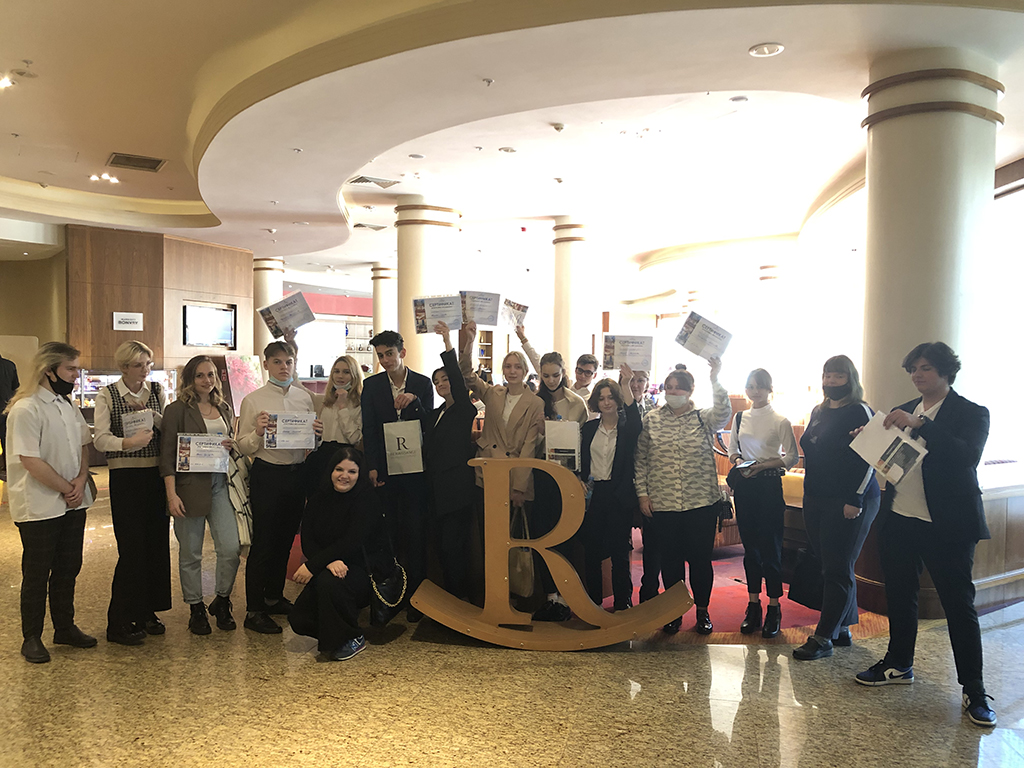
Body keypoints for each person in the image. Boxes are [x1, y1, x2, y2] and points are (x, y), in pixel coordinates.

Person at [855, 343, 996, 727]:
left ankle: (974, 688)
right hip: (901, 519)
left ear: (946, 372)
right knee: (901, 597)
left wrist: (922, 425)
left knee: (958, 605)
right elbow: (893, 461)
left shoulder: (971, 412)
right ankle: (899, 664)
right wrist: (870, 439)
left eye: (926, 368)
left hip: (948, 526)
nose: (918, 375)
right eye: (914, 369)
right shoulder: (902, 409)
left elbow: (965, 457)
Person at [5, 342, 97, 663]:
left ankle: (64, 627)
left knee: (68, 567)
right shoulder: (26, 409)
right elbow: (30, 460)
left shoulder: (67, 405)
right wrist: (66, 488)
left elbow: (83, 445)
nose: (75, 375)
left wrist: (81, 480)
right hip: (39, 504)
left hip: (73, 500)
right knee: (37, 571)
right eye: (70, 369)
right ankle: (31, 636)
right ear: (49, 371)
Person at [635, 357, 729, 634]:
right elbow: (640, 460)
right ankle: (674, 611)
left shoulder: (703, 417)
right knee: (671, 562)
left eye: (679, 387)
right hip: (663, 503)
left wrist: (715, 378)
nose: (673, 392)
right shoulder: (651, 420)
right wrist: (643, 494)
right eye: (670, 387)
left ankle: (702, 610)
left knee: (700, 561)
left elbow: (724, 412)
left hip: (700, 503)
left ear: (690, 390)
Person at [793, 355, 879, 661]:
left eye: (838, 376)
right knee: (830, 564)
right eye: (827, 375)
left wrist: (855, 498)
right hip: (816, 496)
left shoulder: (860, 411)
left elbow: (870, 458)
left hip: (849, 499)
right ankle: (841, 628)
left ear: (850, 379)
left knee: (838, 567)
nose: (830, 381)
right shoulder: (819, 410)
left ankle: (823, 637)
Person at [237, 340, 322, 634]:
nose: (284, 367)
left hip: (297, 474)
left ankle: (273, 597)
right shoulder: (253, 400)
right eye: (277, 362)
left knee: (285, 540)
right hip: (268, 474)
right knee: (264, 543)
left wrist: (317, 436)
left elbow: (310, 443)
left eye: (288, 362)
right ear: (266, 364)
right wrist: (258, 432)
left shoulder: (304, 398)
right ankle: (254, 610)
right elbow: (242, 445)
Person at [93, 340, 170, 645]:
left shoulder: (157, 391)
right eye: (138, 365)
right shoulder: (107, 394)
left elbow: (169, 428)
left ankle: (148, 610)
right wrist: (127, 443)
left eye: (148, 364)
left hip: (155, 475)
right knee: (131, 547)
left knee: (156, 544)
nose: (145, 370)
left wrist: (153, 416)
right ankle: (120, 619)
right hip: (125, 477)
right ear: (124, 367)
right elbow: (100, 439)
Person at [459, 321, 545, 592]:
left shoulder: (536, 403)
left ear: (525, 371)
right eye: (508, 366)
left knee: (513, 538)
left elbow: (530, 446)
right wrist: (470, 341)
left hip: (515, 477)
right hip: (488, 474)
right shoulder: (493, 393)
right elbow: (466, 374)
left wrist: (519, 488)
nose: (512, 371)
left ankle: (513, 592)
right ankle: (491, 591)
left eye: (517, 367)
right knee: (488, 535)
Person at [159, 355, 241, 634]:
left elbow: (229, 444)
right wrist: (172, 495)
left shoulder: (224, 408)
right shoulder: (177, 410)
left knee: (230, 548)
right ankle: (195, 607)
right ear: (189, 380)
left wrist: (230, 445)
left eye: (211, 375)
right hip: (188, 488)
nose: (207, 380)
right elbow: (167, 456)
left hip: (221, 485)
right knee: (191, 553)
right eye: (200, 375)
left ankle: (222, 599)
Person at [289, 446, 394, 661]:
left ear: (360, 474)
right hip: (330, 565)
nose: (344, 476)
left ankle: (353, 637)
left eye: (352, 471)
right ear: (331, 470)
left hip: (364, 567)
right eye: (339, 469)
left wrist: (314, 565)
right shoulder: (319, 498)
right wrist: (328, 562)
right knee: (299, 618)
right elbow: (308, 540)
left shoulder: (367, 499)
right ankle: (336, 634)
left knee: (329, 582)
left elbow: (352, 542)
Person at [360, 329, 433, 621]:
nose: (386, 360)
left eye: (389, 353)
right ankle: (391, 596)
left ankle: (417, 598)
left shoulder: (422, 383)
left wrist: (415, 401)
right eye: (381, 355)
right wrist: (372, 465)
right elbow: (369, 428)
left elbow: (429, 424)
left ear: (402, 352)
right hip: (386, 469)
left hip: (415, 469)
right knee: (388, 532)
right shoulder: (372, 385)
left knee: (415, 532)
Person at [727, 369, 799, 638]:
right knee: (751, 550)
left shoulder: (780, 420)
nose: (755, 391)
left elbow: (791, 457)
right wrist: (741, 463)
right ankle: (753, 605)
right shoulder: (740, 418)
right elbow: (733, 451)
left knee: (771, 549)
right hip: (746, 486)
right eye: (750, 386)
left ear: (770, 390)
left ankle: (774, 607)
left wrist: (764, 465)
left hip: (769, 486)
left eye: (760, 387)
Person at [529, 349, 588, 620]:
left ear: (563, 373)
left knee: (564, 537)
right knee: (542, 536)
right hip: (540, 473)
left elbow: (580, 443)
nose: (551, 380)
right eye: (546, 376)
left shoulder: (576, 403)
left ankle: (565, 599)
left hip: (566, 474)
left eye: (555, 375)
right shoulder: (535, 401)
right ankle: (549, 596)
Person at [423, 322, 478, 600]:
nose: (441, 384)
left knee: (454, 545)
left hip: (457, 490)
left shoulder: (464, 410)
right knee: (440, 546)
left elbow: (458, 376)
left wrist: (447, 341)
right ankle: (448, 596)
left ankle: (460, 596)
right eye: (436, 382)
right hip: (435, 489)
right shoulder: (436, 414)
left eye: (444, 379)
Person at [579, 368, 642, 610]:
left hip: (618, 496)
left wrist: (625, 384)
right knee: (592, 550)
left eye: (611, 398)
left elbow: (636, 419)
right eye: (602, 398)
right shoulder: (588, 429)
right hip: (593, 494)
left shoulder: (626, 429)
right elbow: (581, 461)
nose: (606, 402)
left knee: (619, 552)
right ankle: (593, 601)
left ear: (618, 400)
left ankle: (622, 601)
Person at [305, 354, 363, 484]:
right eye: (336, 371)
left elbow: (354, 438)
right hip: (323, 455)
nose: (340, 376)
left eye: (346, 372)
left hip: (346, 456)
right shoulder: (326, 401)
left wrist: (342, 407)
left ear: (354, 375)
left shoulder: (359, 403)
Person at [0, 350, 19, 481]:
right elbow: (15, 388)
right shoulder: (10, 365)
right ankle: (8, 470)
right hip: (6, 410)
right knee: (7, 442)